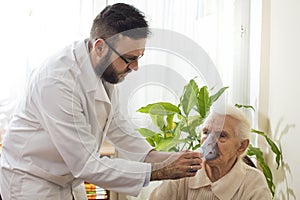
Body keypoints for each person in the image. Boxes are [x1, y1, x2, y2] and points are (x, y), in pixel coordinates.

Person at [0, 3, 202, 199]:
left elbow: (116, 125)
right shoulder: (56, 82)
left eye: (140, 57)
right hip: (31, 181)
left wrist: (163, 158)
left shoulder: (105, 69)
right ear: (100, 47)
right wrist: (161, 171)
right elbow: (87, 164)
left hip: (68, 180)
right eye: (130, 58)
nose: (135, 67)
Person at [149, 105, 272, 200]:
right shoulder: (183, 170)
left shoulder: (253, 183)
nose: (209, 142)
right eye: (206, 132)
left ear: (241, 146)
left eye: (221, 135)